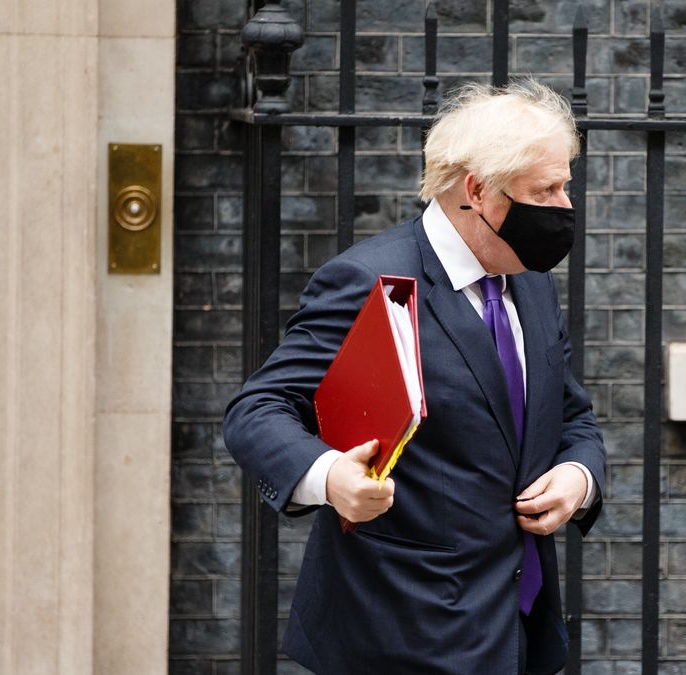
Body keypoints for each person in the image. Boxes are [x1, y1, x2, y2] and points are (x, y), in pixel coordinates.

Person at [223, 80, 607, 675]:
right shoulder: (367, 280)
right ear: (478, 192)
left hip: (517, 628)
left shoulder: (528, 280)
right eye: (546, 190)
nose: (564, 206)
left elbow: (570, 414)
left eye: (565, 186)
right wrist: (330, 478)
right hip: (399, 631)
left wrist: (578, 478)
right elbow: (258, 409)